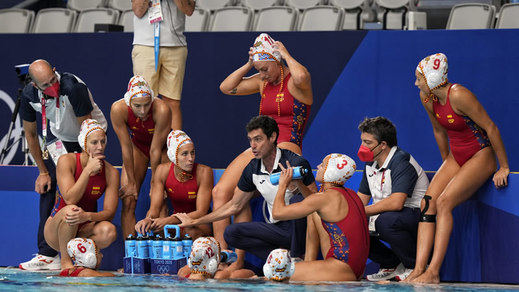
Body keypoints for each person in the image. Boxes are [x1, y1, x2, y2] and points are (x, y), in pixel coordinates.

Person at [404, 53, 509, 284]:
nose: (416, 83)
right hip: (456, 156)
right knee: (427, 203)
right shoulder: (426, 97)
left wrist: (503, 166)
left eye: (418, 78)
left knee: (444, 202)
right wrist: (446, 163)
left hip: (482, 154)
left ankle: (433, 271)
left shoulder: (460, 95)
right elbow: (439, 131)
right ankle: (418, 268)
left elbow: (491, 128)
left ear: (431, 78)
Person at [175, 116, 317, 274]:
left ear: (273, 137)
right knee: (231, 233)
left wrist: (299, 185)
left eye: (258, 139)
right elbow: (234, 205)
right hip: (277, 228)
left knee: (298, 200)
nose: (253, 146)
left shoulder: (295, 162)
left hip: (301, 230)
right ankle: (283, 258)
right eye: (250, 140)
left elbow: (315, 201)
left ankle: (298, 257)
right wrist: (195, 220)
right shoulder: (252, 168)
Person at [213, 33, 313, 251]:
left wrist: (285, 54)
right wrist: (250, 63)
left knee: (259, 193)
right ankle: (223, 255)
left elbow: (302, 77)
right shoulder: (261, 82)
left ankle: (250, 257)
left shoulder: (295, 83)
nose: (262, 74)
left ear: (277, 61)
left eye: (265, 69)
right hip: (263, 144)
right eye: (258, 70)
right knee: (220, 192)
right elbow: (226, 87)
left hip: (287, 145)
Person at [19, 59, 107, 271]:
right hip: (58, 138)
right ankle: (48, 254)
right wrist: (42, 171)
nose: (53, 87)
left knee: (77, 190)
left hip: (89, 136)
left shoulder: (72, 88)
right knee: (48, 185)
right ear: (34, 86)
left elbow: (86, 129)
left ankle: (78, 250)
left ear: (56, 72)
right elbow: (30, 134)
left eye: (53, 80)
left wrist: (85, 166)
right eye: (46, 85)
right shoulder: (29, 96)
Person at [267, 153, 369, 281]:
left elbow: (277, 213)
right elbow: (313, 202)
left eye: (323, 165)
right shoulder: (350, 194)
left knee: (275, 273)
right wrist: (299, 183)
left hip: (340, 267)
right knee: (314, 213)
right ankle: (309, 263)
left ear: (330, 172)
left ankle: (307, 266)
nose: (318, 166)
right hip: (355, 268)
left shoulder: (324, 198)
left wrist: (282, 185)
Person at [356, 117, 429, 281]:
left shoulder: (401, 161)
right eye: (362, 141)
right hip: (388, 214)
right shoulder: (370, 164)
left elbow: (397, 202)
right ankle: (391, 264)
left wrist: (360, 211)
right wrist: (350, 214)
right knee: (352, 223)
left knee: (386, 221)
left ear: (383, 145)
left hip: (415, 215)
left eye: (368, 143)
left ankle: (415, 267)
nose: (362, 147)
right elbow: (361, 198)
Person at [43, 119, 118, 271]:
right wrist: (87, 171)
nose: (100, 147)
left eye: (103, 142)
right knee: (72, 210)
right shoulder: (67, 161)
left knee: (109, 231)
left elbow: (109, 213)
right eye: (94, 142)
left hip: (84, 227)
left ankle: (81, 257)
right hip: (56, 229)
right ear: (84, 144)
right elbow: (70, 199)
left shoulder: (111, 172)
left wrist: (87, 217)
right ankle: (65, 261)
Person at [111, 76, 171, 239]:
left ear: (152, 100)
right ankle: (131, 257)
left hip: (163, 149)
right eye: (138, 106)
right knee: (129, 199)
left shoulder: (162, 109)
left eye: (147, 105)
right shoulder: (118, 109)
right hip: (137, 147)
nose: (143, 111)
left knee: (160, 200)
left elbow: (155, 149)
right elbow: (126, 147)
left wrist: (155, 183)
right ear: (129, 103)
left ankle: (161, 255)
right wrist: (130, 181)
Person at [134, 130, 212, 238]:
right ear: (173, 156)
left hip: (199, 222)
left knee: (190, 232)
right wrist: (148, 220)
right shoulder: (162, 171)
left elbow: (201, 212)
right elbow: (154, 209)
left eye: (192, 152)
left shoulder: (204, 172)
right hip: (175, 222)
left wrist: (169, 220)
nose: (190, 158)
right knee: (154, 228)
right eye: (185, 154)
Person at [132, 0, 195, 130]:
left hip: (176, 45)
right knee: (144, 100)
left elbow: (189, 10)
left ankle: (175, 146)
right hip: (145, 45)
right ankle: (147, 147)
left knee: (173, 101)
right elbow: (138, 11)